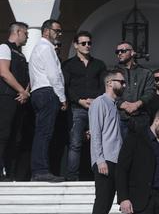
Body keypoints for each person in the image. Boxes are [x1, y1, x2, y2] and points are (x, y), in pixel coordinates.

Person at [88, 69, 124, 214]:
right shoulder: (100, 103)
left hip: (115, 160)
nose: (124, 85)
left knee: (107, 204)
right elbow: (95, 133)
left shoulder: (113, 105)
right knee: (102, 204)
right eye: (121, 81)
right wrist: (100, 159)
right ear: (110, 83)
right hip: (105, 161)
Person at [62, 31, 107, 181]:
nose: (87, 46)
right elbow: (66, 87)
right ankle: (72, 178)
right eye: (83, 43)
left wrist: (96, 101)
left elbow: (104, 86)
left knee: (98, 143)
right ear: (76, 45)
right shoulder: (68, 65)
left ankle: (97, 176)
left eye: (89, 43)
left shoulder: (99, 65)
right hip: (77, 108)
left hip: (96, 108)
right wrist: (80, 101)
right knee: (75, 143)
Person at [28, 19, 66, 182]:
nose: (59, 34)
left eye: (60, 31)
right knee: (44, 133)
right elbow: (53, 75)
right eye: (56, 30)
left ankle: (40, 169)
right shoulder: (46, 48)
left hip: (39, 93)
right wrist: (62, 98)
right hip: (47, 92)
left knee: (42, 132)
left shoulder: (39, 48)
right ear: (46, 31)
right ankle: (40, 171)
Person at [0, 22, 30, 180]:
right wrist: (21, 90)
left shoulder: (21, 54)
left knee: (16, 137)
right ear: (18, 32)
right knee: (3, 134)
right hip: (6, 98)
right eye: (26, 33)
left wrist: (26, 92)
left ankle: (10, 173)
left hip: (20, 100)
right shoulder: (4, 48)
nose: (28, 36)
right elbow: (4, 72)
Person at [114, 41, 155, 136]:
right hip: (120, 118)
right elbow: (110, 93)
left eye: (123, 51)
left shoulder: (146, 73)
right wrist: (122, 104)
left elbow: (150, 92)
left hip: (141, 118)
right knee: (122, 149)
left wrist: (137, 104)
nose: (119, 53)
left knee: (141, 149)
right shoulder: (113, 73)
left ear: (132, 53)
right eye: (117, 51)